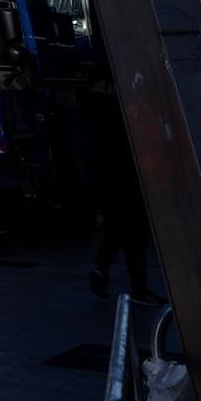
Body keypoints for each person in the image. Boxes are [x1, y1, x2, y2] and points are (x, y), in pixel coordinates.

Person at [86, 77, 157, 302]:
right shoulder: (120, 114)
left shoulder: (95, 113)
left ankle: (101, 270)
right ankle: (139, 288)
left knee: (118, 230)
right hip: (124, 183)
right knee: (134, 234)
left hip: (106, 184)